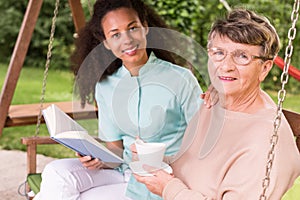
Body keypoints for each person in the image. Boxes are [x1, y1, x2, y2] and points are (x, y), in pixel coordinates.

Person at [35, 0, 210, 199]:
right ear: (106, 43)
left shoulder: (181, 79)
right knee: (56, 173)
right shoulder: (106, 85)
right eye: (115, 34)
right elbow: (116, 152)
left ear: (145, 28)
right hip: (124, 173)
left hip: (163, 179)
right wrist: (98, 159)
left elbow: (203, 140)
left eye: (132, 28)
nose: (127, 40)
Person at [134, 8, 300, 199]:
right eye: (219, 53)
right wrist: (155, 161)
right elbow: (191, 167)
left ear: (264, 68)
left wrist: (169, 188)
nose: (226, 66)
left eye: (242, 56)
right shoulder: (213, 104)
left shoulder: (263, 143)